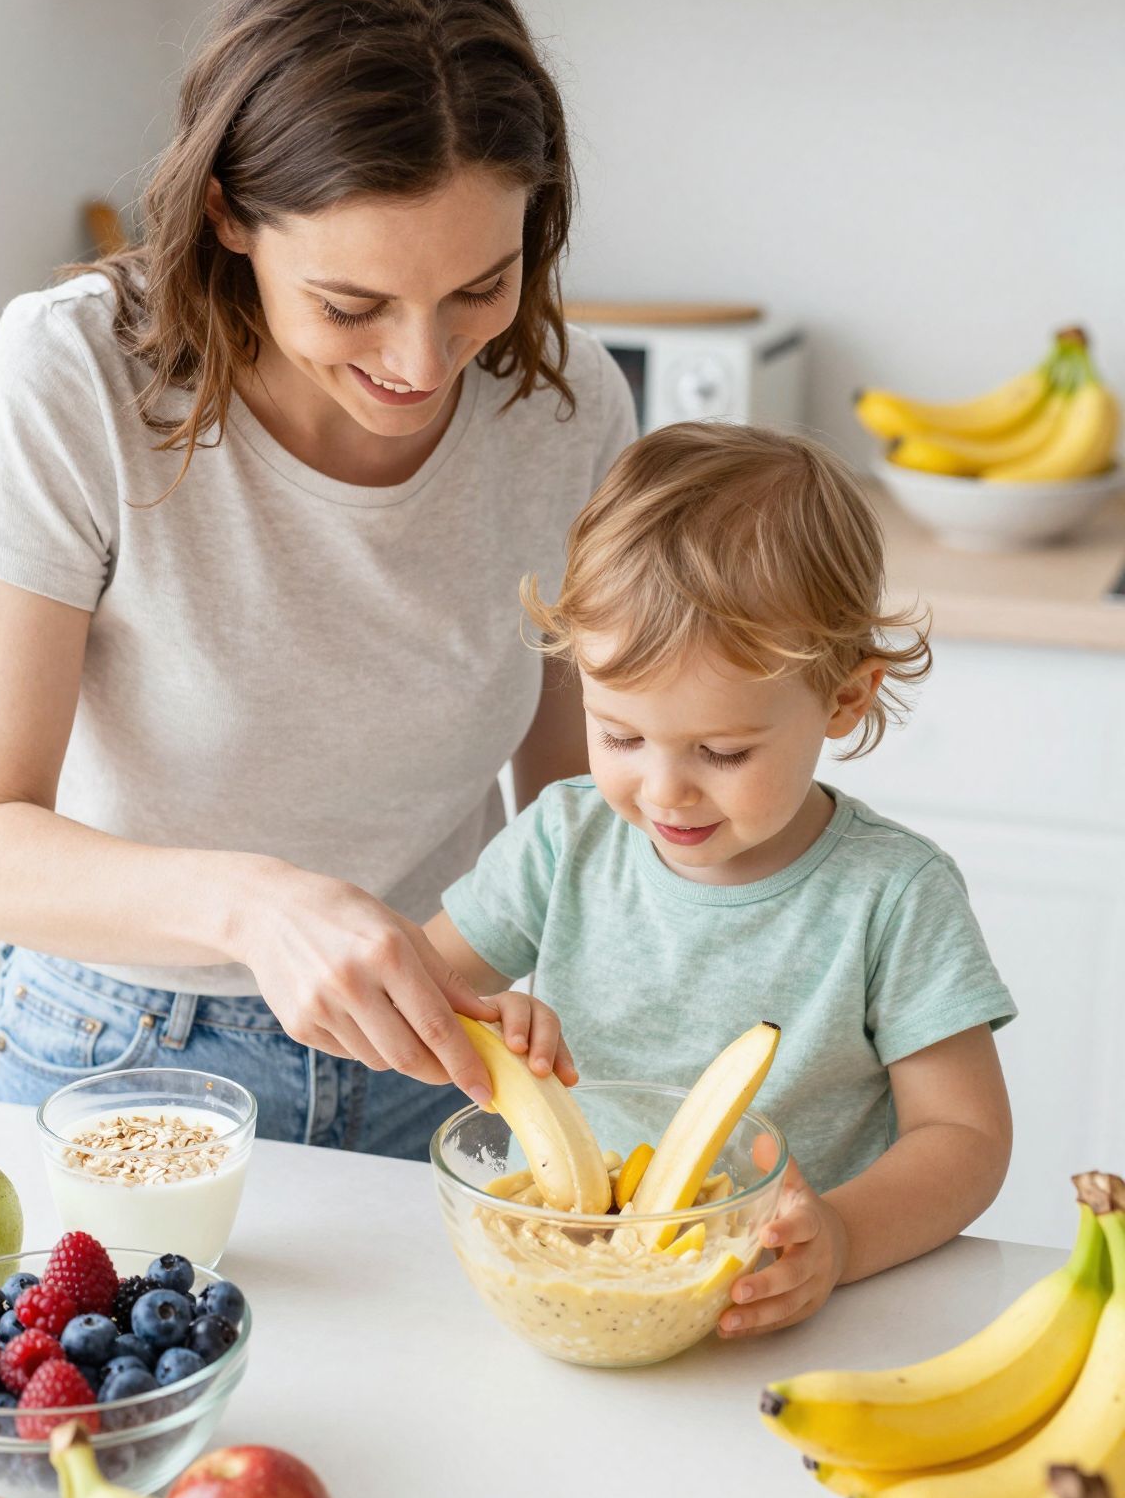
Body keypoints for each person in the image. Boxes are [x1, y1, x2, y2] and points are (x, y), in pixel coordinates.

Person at [0, 0, 634, 1152]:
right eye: (351, 305)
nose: (425, 366)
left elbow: (580, 803)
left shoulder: (568, 408)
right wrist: (255, 904)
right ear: (227, 211)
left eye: (482, 288)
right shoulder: (72, 379)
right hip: (123, 1052)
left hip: (452, 1049)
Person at [426, 423, 1016, 1336]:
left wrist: (841, 1239)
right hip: (576, 1287)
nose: (663, 790)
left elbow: (966, 1139)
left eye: (723, 750)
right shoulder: (565, 838)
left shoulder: (894, 895)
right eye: (620, 736)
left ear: (845, 698)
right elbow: (417, 991)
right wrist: (477, 1015)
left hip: (783, 1306)